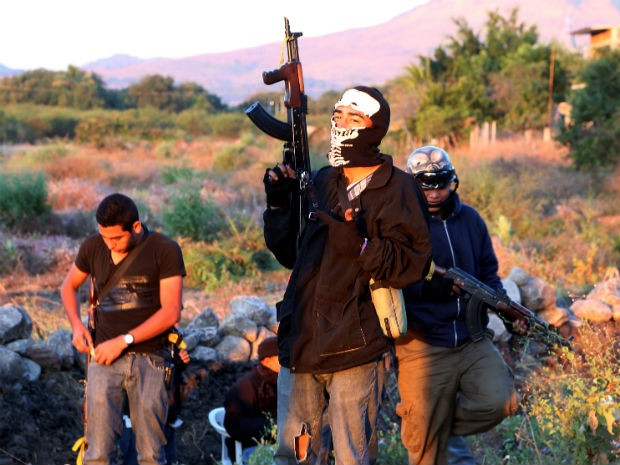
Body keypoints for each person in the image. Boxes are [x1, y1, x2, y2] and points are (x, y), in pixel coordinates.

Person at [262, 86, 433, 465]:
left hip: (356, 344)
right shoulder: (324, 181)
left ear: (375, 129)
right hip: (303, 339)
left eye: (354, 119)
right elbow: (290, 253)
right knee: (293, 457)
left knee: (353, 458)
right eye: (338, 115)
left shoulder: (398, 188)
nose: (341, 124)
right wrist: (278, 204)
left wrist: (359, 245)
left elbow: (414, 263)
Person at [395, 146, 518, 465]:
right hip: (422, 343)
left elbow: (488, 271)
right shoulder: (400, 226)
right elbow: (390, 281)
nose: (435, 192)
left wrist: (504, 308)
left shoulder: (471, 219)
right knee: (425, 454)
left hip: (470, 337)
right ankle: (426, 429)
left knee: (501, 401)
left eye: (442, 184)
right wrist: (430, 288)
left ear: (453, 182)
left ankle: (435, 427)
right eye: (426, 185)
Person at [61, 192, 186, 465]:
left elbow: (171, 312)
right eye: (104, 237)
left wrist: (123, 340)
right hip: (103, 359)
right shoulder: (94, 247)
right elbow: (68, 286)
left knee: (151, 454)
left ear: (136, 227)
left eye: (116, 238)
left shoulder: (164, 250)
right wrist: (76, 326)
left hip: (152, 360)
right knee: (97, 454)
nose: (109, 245)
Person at [224, 336, 280, 463]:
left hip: (273, 444)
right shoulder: (244, 388)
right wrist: (272, 425)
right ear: (268, 360)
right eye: (281, 357)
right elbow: (234, 426)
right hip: (246, 448)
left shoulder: (277, 382)